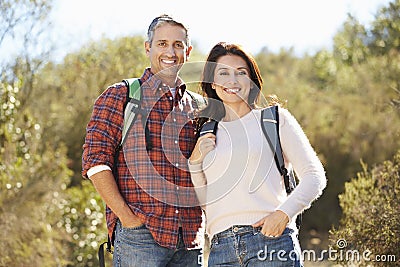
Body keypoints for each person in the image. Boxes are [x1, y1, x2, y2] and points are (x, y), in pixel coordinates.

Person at [189, 42, 327, 266]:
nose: (232, 81)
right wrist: (194, 164)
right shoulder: (207, 131)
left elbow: (315, 176)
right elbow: (208, 204)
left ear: (251, 80)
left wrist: (283, 215)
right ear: (213, 83)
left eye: (241, 73)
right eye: (223, 73)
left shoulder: (274, 119)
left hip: (270, 243)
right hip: (221, 250)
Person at [82, 14, 203, 266]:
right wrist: (128, 219)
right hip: (140, 238)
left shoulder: (198, 107)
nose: (170, 51)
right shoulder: (121, 95)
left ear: (187, 52)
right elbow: (96, 163)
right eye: (162, 44)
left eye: (178, 45)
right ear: (148, 48)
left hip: (190, 241)